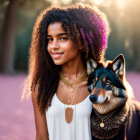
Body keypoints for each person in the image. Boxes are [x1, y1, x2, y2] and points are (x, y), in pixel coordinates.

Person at [23, 3, 110, 140]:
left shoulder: (101, 86)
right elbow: (41, 137)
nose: (53, 46)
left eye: (63, 38)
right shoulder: (41, 87)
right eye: (50, 39)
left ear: (81, 42)